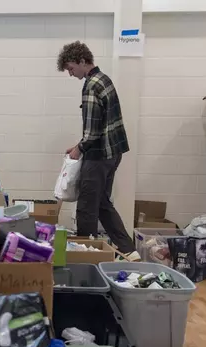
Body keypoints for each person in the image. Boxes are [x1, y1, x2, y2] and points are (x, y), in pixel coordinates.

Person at [57, 41, 139, 260]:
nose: (70, 74)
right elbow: (100, 126)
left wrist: (79, 150)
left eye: (71, 68)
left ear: (83, 61)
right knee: (103, 203)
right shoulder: (104, 79)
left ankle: (85, 257)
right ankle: (130, 251)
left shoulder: (91, 85)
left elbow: (92, 132)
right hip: (113, 154)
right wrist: (78, 145)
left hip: (99, 156)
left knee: (86, 207)